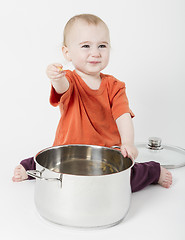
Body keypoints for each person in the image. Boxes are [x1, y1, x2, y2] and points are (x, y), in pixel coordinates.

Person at [12, 14, 172, 192]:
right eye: (86, 46)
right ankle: (30, 166)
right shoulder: (69, 80)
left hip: (106, 155)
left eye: (102, 46)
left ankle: (152, 171)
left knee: (124, 182)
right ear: (67, 53)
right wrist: (56, 79)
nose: (95, 53)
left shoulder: (115, 86)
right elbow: (62, 88)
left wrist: (128, 143)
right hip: (68, 153)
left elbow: (123, 115)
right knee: (52, 168)